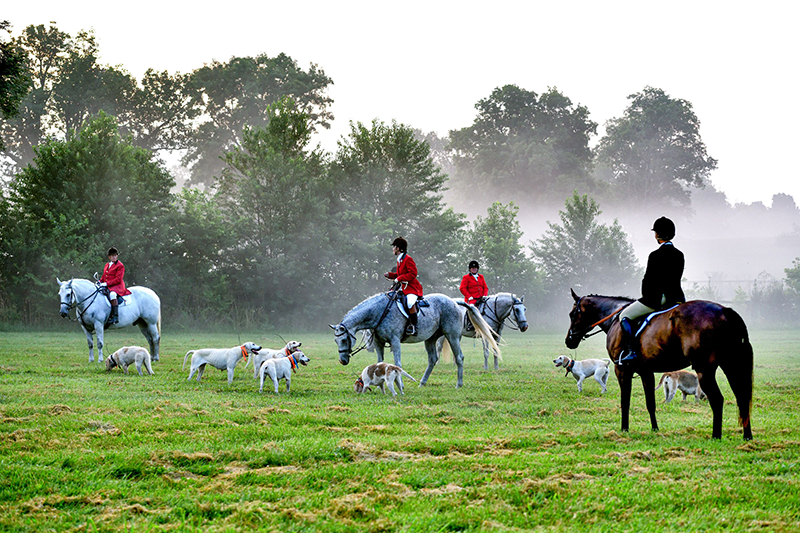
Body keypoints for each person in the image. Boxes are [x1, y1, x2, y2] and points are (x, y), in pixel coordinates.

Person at [618, 217, 686, 364]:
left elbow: (648, 280)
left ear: (657, 235)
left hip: (657, 298)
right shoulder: (679, 254)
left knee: (624, 315)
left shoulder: (655, 255)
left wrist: (645, 296)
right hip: (676, 298)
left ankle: (631, 352)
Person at [384, 237, 423, 336]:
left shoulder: (408, 259)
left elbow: (413, 273)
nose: (393, 249)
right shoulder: (400, 259)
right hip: (404, 288)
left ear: (398, 248)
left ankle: (414, 327)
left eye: (394, 247)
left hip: (412, 288)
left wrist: (399, 278)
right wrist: (391, 275)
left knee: (410, 303)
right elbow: (399, 274)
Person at [100, 247, 131, 325]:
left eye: (115, 255)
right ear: (109, 257)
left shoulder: (120, 265)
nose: (114, 257)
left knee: (112, 295)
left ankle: (115, 317)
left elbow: (118, 279)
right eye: (112, 255)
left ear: (117, 256)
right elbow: (104, 276)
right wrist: (99, 282)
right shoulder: (107, 265)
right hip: (108, 286)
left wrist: (106, 284)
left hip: (117, 286)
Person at [460, 260, 489, 331]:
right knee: (472, 309)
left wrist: (485, 295)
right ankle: (470, 324)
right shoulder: (466, 277)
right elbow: (462, 288)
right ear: (470, 269)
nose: (474, 269)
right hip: (472, 299)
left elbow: (485, 287)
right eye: (472, 268)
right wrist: (469, 296)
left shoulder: (481, 277)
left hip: (482, 298)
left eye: (475, 268)